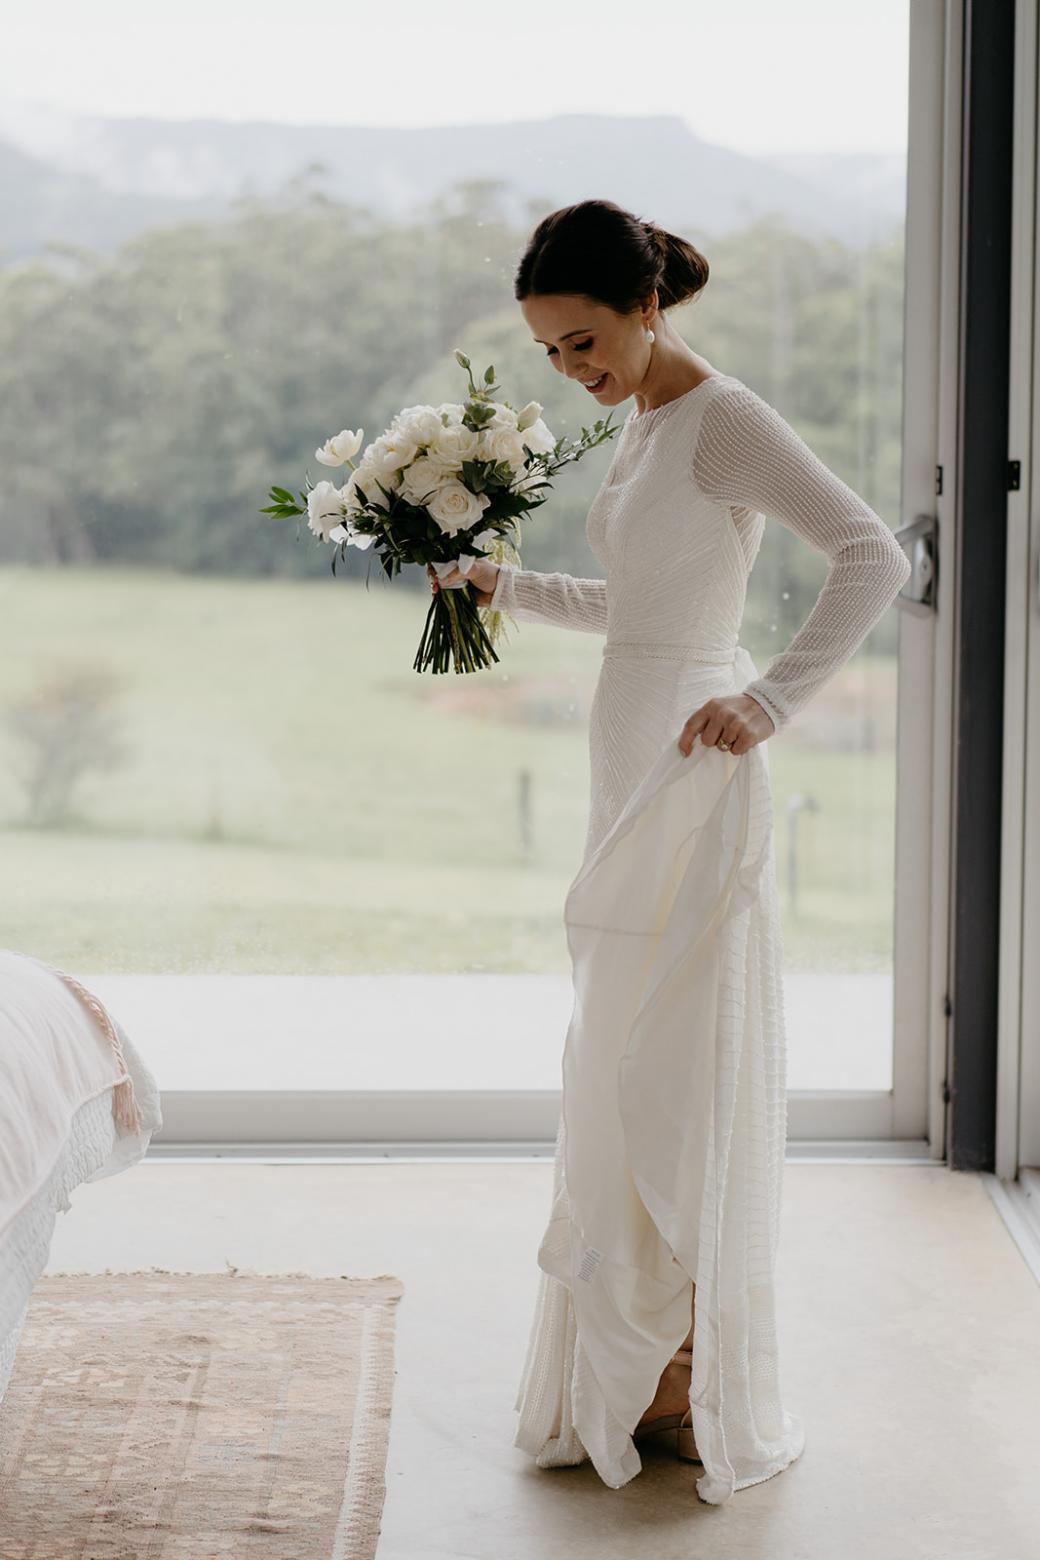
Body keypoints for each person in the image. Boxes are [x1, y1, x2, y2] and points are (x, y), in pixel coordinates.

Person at [428, 198, 911, 1505]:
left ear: (646, 308)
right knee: (619, 1044)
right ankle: (639, 1368)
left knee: (678, 1065)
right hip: (627, 753)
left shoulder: (727, 417)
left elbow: (873, 553)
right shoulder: (643, 425)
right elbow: (645, 611)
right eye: (553, 357)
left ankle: (691, 1377)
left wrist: (769, 702)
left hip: (698, 770)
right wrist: (503, 583)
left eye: (584, 343)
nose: (574, 374)